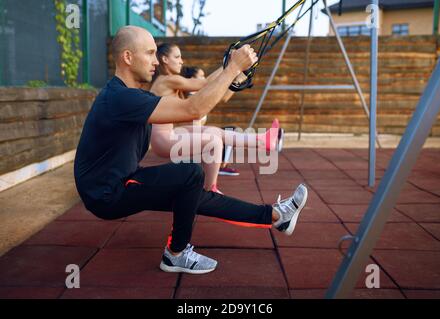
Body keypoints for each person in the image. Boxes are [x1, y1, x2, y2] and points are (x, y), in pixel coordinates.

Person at [74, 26, 308, 275]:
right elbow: (193, 109)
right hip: (106, 193)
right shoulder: (121, 98)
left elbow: (194, 101)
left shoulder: (132, 96)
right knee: (190, 174)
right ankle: (176, 254)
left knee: (194, 191)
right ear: (128, 57)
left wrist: (230, 70)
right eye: (150, 53)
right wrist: (231, 69)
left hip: (119, 181)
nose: (156, 61)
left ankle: (275, 217)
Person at [149, 43, 283, 193]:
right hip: (163, 140)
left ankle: (262, 140)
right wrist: (232, 63)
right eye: (177, 56)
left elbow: (209, 86)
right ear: (165, 59)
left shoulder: (170, 81)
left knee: (215, 132)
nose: (181, 61)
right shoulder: (166, 80)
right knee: (214, 142)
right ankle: (210, 188)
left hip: (169, 134)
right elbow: (205, 83)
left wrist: (233, 65)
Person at [181, 66, 240, 177]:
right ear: (192, 80)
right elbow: (213, 86)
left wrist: (239, 78)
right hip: (189, 144)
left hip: (198, 140)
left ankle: (221, 166)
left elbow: (224, 97)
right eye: (201, 76)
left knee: (231, 130)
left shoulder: (200, 95)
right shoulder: (191, 97)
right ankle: (214, 166)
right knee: (223, 135)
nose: (204, 78)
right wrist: (229, 65)